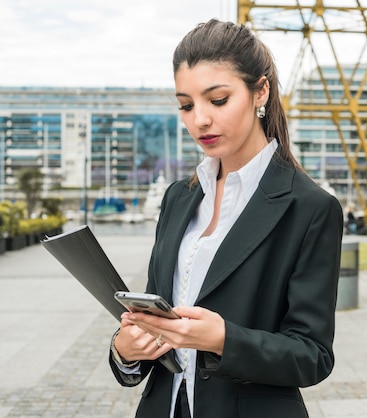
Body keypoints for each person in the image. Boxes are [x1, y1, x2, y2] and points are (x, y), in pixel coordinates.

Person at [109, 19, 344, 418]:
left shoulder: (310, 208)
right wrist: (126, 350)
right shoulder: (177, 199)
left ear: (261, 91)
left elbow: (313, 355)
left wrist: (223, 339)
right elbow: (155, 318)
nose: (199, 119)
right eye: (186, 105)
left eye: (217, 100)